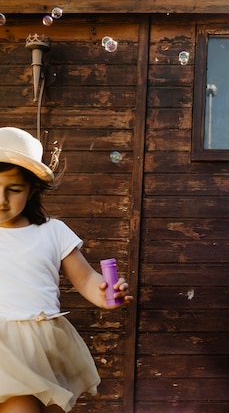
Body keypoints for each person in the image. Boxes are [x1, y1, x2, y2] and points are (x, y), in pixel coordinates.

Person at [0, 127, 133, 413]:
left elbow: (85, 278)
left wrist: (105, 293)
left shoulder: (52, 232)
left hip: (42, 346)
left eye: (13, 189)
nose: (1, 199)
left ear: (32, 188)